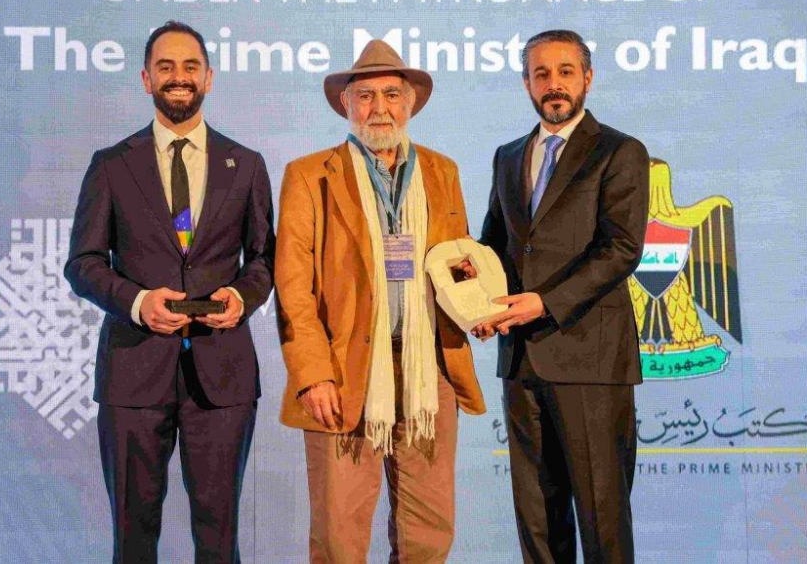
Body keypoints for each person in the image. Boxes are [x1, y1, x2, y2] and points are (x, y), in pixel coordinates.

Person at [64, 21, 275, 563]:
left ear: (209, 78)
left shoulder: (246, 164)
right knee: (133, 537)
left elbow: (265, 261)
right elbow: (83, 264)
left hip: (222, 376)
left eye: (189, 67)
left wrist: (242, 299)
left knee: (219, 536)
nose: (178, 78)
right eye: (165, 67)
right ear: (145, 79)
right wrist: (137, 302)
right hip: (133, 375)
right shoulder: (112, 165)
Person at [275, 40, 486, 563]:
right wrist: (312, 373)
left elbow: (456, 264)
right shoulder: (310, 175)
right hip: (344, 374)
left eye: (392, 94)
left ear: (410, 102)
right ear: (345, 105)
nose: (380, 108)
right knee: (340, 536)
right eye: (365, 96)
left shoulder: (443, 172)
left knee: (429, 532)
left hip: (427, 371)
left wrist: (476, 310)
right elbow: (293, 286)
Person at [473, 30, 650, 563]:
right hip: (522, 361)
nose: (554, 84)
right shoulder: (508, 156)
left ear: (588, 78)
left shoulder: (620, 151)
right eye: (541, 73)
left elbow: (621, 248)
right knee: (538, 520)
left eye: (566, 71)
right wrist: (479, 303)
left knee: (602, 519)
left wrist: (544, 303)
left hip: (590, 360)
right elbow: (495, 246)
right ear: (526, 82)